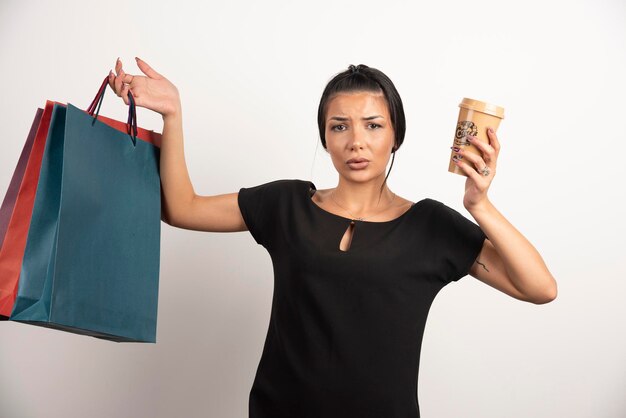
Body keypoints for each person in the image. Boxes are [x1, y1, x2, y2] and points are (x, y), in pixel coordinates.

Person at [108, 58, 558, 418]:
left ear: (396, 135)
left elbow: (539, 288)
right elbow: (181, 207)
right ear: (324, 137)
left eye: (373, 125)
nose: (356, 141)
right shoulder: (286, 205)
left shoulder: (431, 227)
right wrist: (173, 114)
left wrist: (479, 204)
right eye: (340, 126)